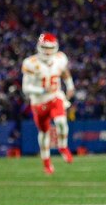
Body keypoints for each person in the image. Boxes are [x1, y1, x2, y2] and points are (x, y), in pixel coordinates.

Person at [21, 32, 75, 175]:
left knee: (61, 122)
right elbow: (26, 88)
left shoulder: (60, 58)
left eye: (50, 48)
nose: (48, 51)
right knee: (44, 133)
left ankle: (63, 147)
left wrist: (70, 86)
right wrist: (42, 90)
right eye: (45, 47)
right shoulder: (31, 63)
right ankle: (47, 162)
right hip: (38, 102)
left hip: (55, 97)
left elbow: (64, 72)